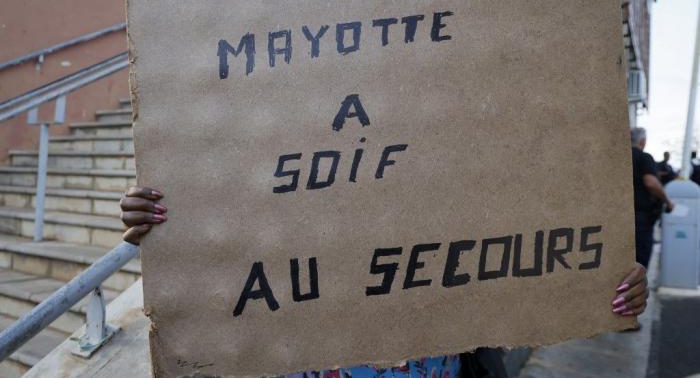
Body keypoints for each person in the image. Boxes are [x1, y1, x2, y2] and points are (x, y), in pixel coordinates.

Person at [120, 187, 649, 377]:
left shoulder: (459, 218)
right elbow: (214, 266)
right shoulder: (271, 222)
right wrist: (167, 218)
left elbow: (532, 266)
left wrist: (602, 283)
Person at [631, 128, 674, 268]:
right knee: (639, 265)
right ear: (642, 141)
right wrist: (668, 202)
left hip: (615, 216)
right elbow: (650, 182)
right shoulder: (644, 157)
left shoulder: (616, 158)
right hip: (639, 219)